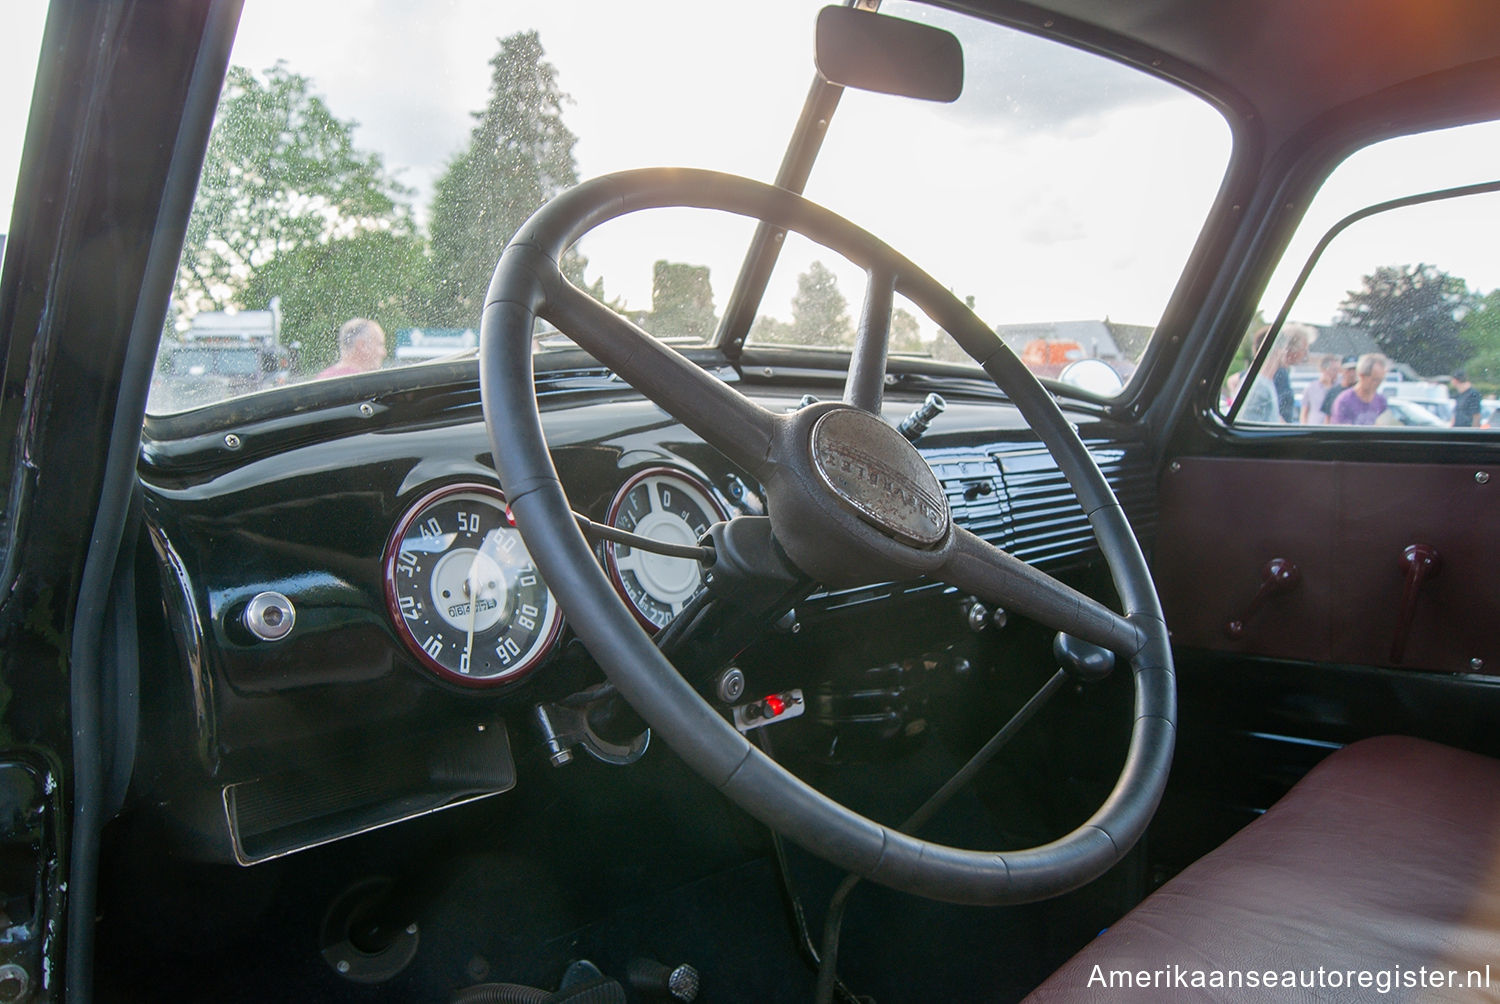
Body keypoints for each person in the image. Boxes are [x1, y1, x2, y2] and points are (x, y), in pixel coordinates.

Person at [1271, 323, 1315, 421]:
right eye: (1304, 349)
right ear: (1291, 349)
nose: (1305, 355)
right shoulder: (1279, 374)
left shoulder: (1283, 372)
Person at [317, 318, 387, 378]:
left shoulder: (323, 378)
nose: (384, 353)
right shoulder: (361, 383)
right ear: (362, 346)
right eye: (380, 344)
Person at [1330, 352, 1389, 425]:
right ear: (1361, 375)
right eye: (1375, 380)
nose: (1378, 384)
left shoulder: (1381, 401)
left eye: (1381, 380)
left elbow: (1388, 428)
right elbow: (1340, 433)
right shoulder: (1344, 401)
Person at [1300, 354, 1340, 425]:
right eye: (1333, 370)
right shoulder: (1311, 387)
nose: (1336, 373)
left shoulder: (1339, 387)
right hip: (1314, 426)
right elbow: (1304, 412)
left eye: (1337, 370)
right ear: (1324, 369)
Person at [1320, 355, 1358, 421]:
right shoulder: (1333, 392)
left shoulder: (1363, 392)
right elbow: (1327, 418)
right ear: (1342, 370)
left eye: (1354, 369)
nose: (1352, 373)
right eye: (1348, 370)